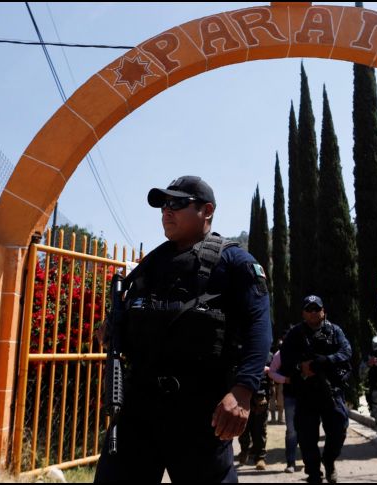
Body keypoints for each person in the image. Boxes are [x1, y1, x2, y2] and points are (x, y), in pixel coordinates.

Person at [94, 176, 272, 483]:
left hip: (201, 413)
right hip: (139, 407)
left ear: (207, 210)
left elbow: (260, 327)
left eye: (177, 203)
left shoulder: (234, 262)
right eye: (164, 204)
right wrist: (111, 329)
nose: (167, 211)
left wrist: (243, 391)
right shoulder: (150, 264)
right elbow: (133, 315)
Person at [281, 295, 352, 484]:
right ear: (303, 313)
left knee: (339, 430)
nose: (313, 312)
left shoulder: (334, 331)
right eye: (309, 309)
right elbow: (285, 361)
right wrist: (301, 368)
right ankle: (314, 474)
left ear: (323, 311)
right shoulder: (295, 334)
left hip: (332, 392)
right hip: (306, 394)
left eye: (316, 309)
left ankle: (329, 461)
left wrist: (326, 361)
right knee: (306, 437)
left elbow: (346, 352)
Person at [237, 352, 273, 470]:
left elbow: (274, 377)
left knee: (260, 429)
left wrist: (269, 371)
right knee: (244, 426)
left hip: (261, 397)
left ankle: (260, 457)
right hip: (243, 395)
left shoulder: (269, 356)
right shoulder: (243, 353)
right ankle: (244, 450)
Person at [268, 344, 298, 474]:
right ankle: (291, 462)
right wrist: (284, 379)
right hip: (290, 395)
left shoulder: (309, 348)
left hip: (310, 395)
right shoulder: (281, 354)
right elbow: (271, 372)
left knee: (310, 428)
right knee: (291, 430)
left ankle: (311, 462)